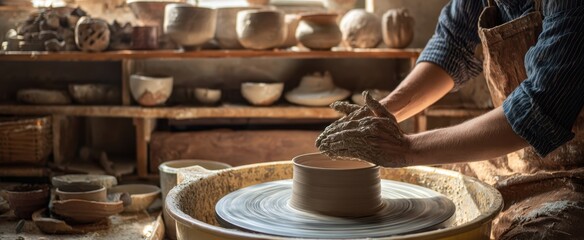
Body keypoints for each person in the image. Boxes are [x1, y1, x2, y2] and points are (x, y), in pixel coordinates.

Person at [317, 0, 584, 239]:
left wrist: (405, 148)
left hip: (576, 172)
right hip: (513, 158)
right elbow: (452, 45)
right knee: (423, 191)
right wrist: (384, 110)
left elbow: (541, 106)